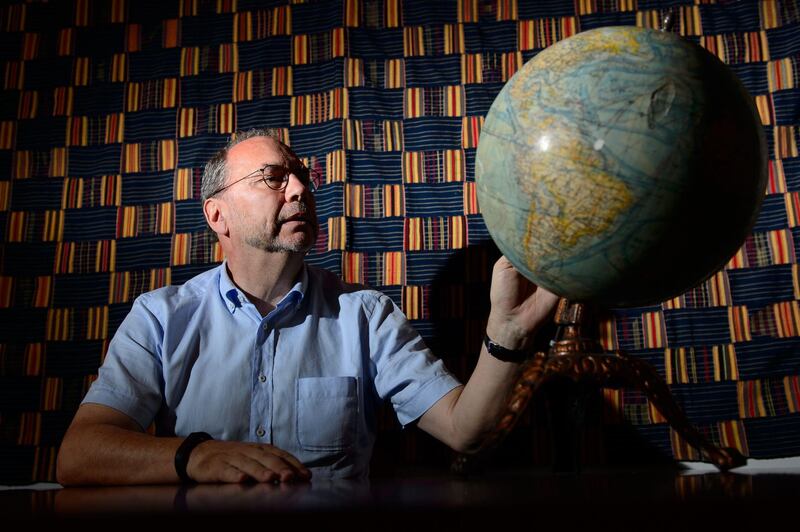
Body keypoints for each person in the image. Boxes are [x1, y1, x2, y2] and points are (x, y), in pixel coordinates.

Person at [56, 129, 559, 485]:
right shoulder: (160, 318)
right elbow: (79, 455)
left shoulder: (366, 317)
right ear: (218, 213)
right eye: (272, 178)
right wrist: (195, 457)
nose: (299, 188)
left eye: (299, 176)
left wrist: (507, 336)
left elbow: (464, 431)